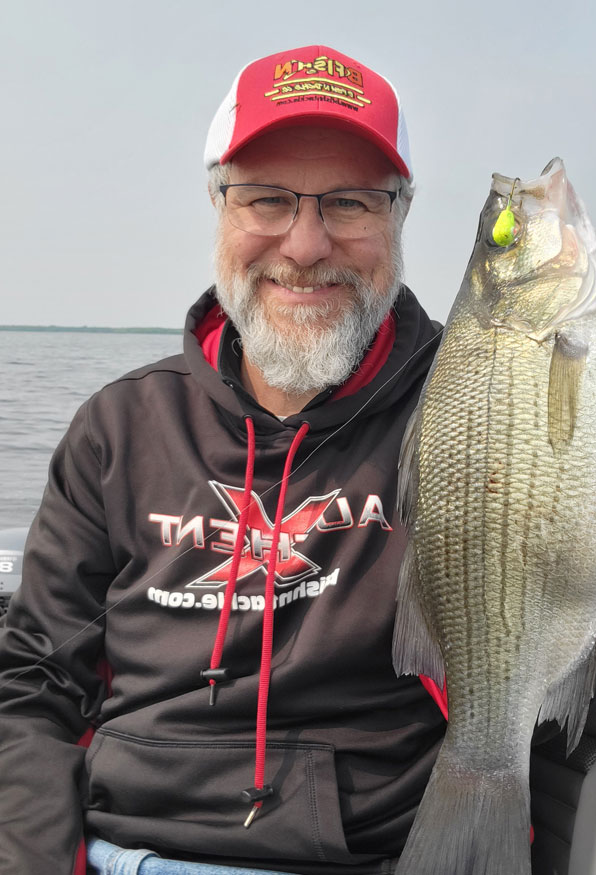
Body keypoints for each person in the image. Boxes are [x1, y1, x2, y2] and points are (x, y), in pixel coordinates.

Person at [0, 45, 446, 875]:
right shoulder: (119, 427)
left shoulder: (471, 409)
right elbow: (32, 681)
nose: (307, 244)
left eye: (350, 202)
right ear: (218, 204)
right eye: (267, 198)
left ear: (401, 213)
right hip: (112, 850)